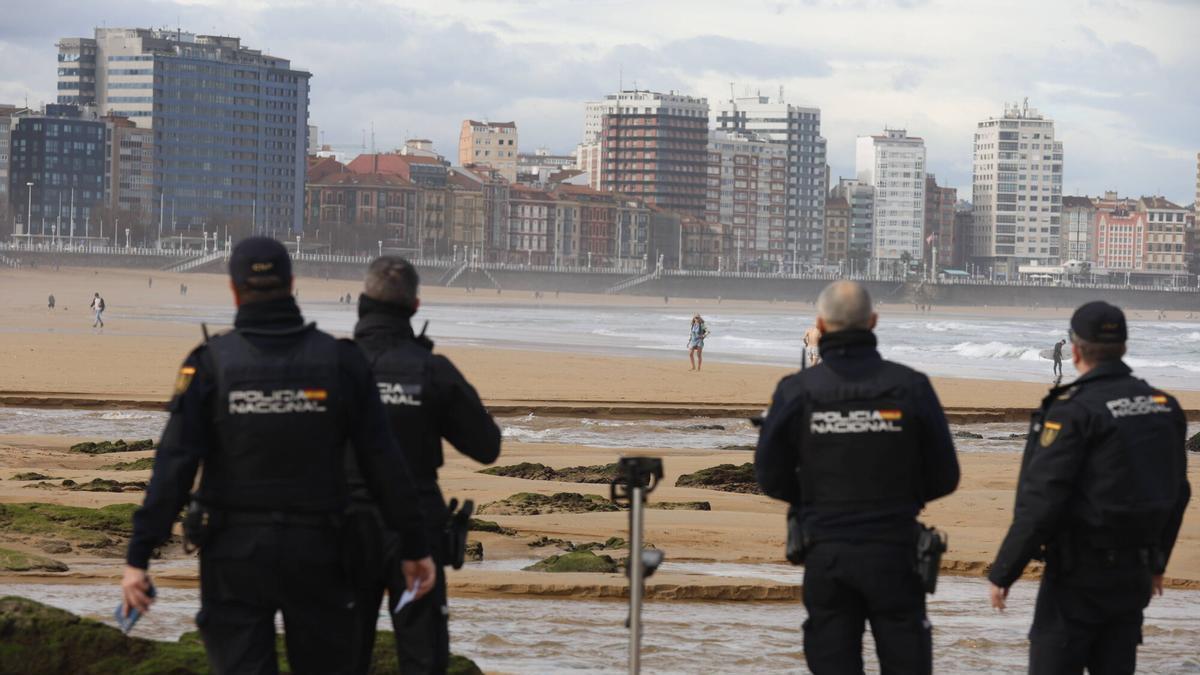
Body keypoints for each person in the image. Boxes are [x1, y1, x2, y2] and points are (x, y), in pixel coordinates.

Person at [119, 237, 436, 674]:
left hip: (234, 554)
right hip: (321, 550)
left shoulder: (211, 363)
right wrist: (415, 546)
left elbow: (174, 466)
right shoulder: (340, 361)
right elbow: (384, 464)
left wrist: (139, 557)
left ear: (233, 290)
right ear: (292, 284)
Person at [755, 280, 960, 674]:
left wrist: (811, 500)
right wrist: (902, 499)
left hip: (827, 550)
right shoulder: (910, 386)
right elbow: (945, 474)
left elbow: (770, 474)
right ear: (874, 322)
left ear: (820, 324)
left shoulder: (798, 390)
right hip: (894, 549)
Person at [988, 301, 1190, 674]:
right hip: (1135, 572)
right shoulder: (1165, 406)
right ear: (1124, 348)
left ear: (1075, 349)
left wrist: (1004, 571)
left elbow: (1042, 500)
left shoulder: (1072, 409)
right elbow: (1179, 493)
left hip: (1078, 575)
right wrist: (1157, 561)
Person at [349, 256, 502, 673]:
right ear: (415, 307)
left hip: (344, 526)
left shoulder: (332, 364)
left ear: (363, 302)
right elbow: (487, 446)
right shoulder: (431, 369)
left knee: (340, 654)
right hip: (415, 526)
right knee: (422, 656)